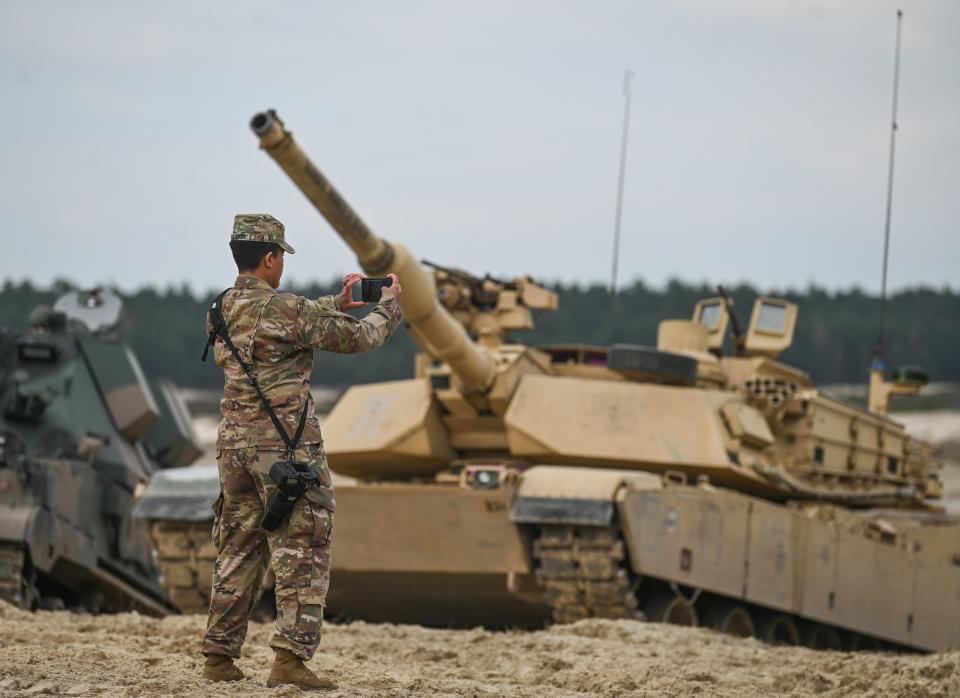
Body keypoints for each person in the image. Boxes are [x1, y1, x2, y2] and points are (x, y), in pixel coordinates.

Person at [200, 213, 402, 690]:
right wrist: (389, 307)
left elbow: (283, 319)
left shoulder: (219, 308)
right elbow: (356, 338)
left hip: (234, 449)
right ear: (270, 258)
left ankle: (218, 657)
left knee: (238, 548)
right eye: (280, 259)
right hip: (284, 452)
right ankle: (290, 660)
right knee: (301, 547)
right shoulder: (287, 310)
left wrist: (340, 299)